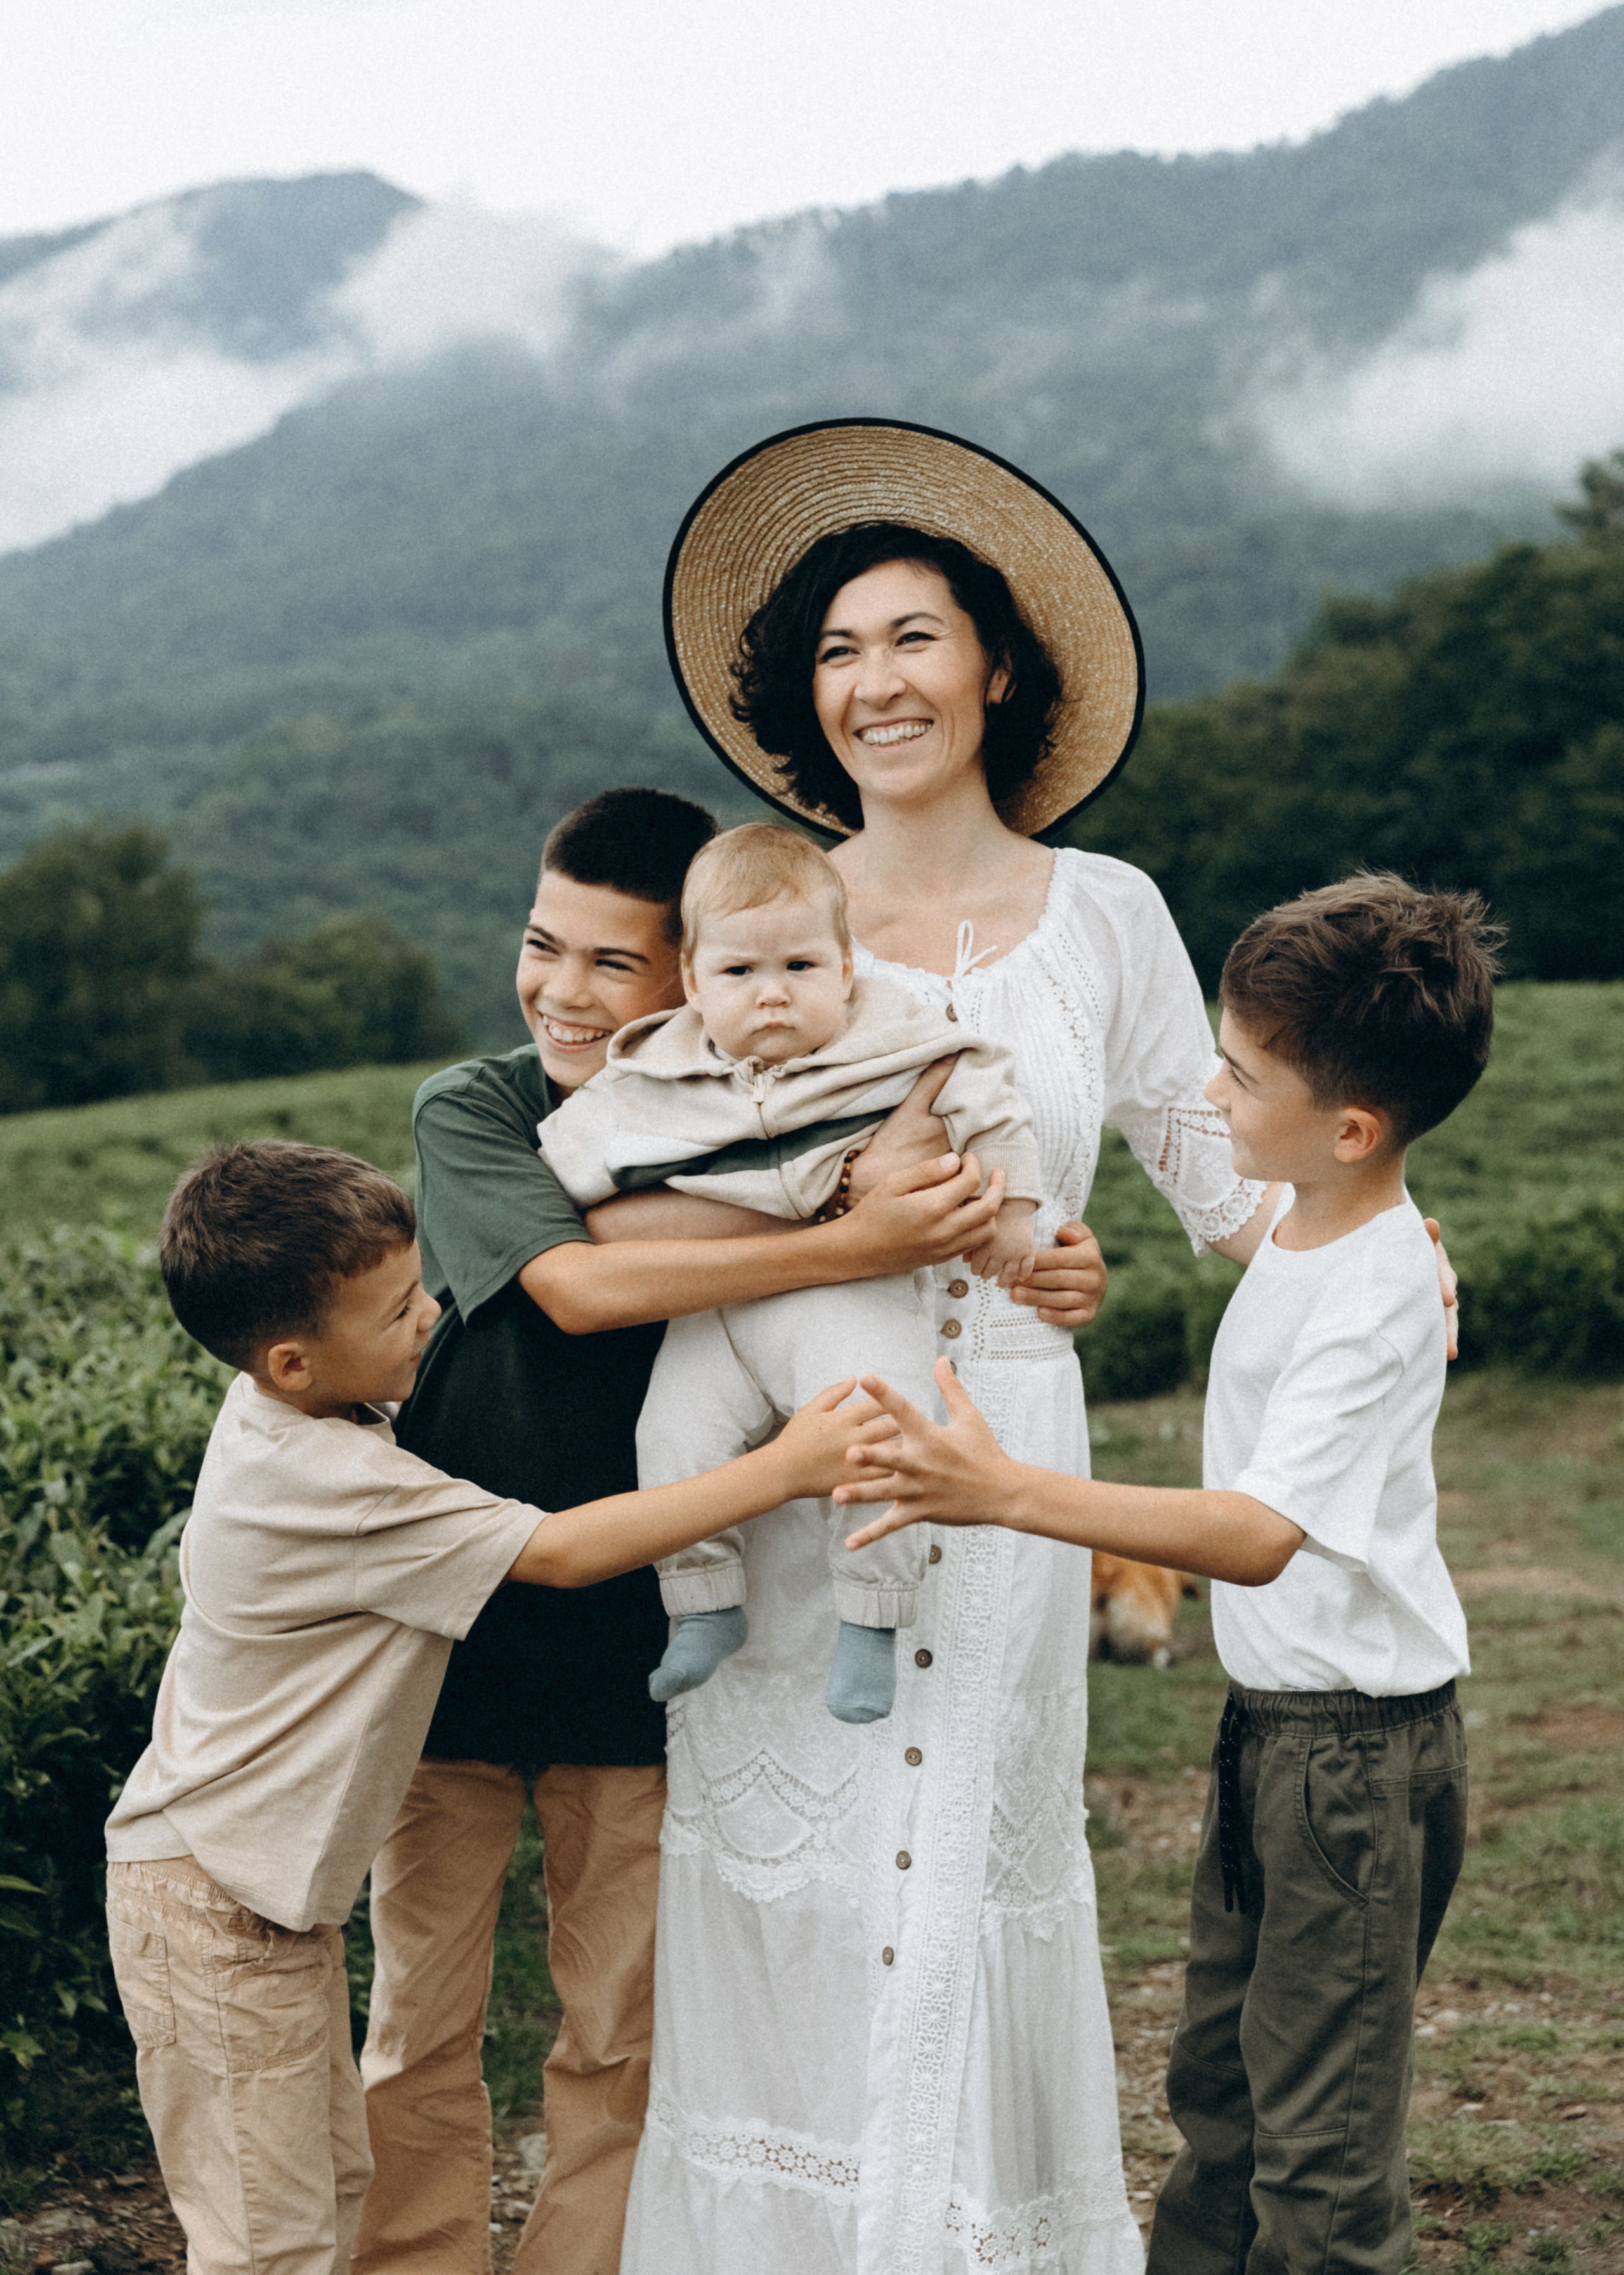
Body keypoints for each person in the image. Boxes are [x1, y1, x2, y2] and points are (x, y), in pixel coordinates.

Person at [620, 419, 1283, 2275]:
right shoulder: (764, 911)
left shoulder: (1109, 912)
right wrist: (851, 1238)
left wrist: (1374, 1230)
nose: (876, 683)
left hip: (1004, 1452)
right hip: (788, 1444)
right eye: (838, 651)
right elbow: (661, 1168)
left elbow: (1222, 1172)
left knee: (974, 1846)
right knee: (794, 1869)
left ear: (999, 667)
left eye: (913, 637)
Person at [351, 787, 1103, 2274]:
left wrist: (1036, 1257)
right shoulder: (476, 1108)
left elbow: (940, 1191)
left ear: (684, 983)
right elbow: (580, 1280)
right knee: (418, 2020)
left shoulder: (782, 1093)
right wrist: (848, 1226)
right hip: (460, 1621)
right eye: (541, 946)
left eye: (609, 963)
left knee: (616, 2027)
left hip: (640, 1630)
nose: (564, 991)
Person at [828, 870, 1494, 2275]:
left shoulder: (1373, 1288)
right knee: (1220, 2093)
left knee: (1318, 2158)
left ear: (1350, 1129)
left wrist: (1004, 1492)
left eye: (1240, 1075)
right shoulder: (1310, 1225)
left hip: (1353, 1759)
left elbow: (1255, 1533)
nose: (1208, 1087)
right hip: (1277, 1737)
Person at [103, 1138, 898, 2275]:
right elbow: (562, 1552)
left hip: (249, 1900)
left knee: (323, 2198)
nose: (431, 1314)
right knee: (264, 2244)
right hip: (216, 1904)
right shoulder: (330, 1483)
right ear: (291, 1360)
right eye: (395, 1312)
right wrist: (785, 1467)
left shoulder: (306, 1419)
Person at [539, 820, 1040, 1725]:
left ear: (845, 968)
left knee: (878, 1431)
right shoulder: (655, 1067)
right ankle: (704, 1604)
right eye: (739, 972)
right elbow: (569, 1162)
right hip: (717, 1304)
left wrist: (1016, 1213)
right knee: (673, 1437)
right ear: (694, 981)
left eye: (799, 967)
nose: (771, 993)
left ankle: (872, 1618)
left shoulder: (898, 1041)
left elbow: (989, 1101)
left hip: (852, 1292)